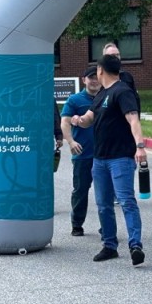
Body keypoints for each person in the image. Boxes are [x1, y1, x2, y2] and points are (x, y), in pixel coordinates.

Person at [71, 53, 146, 266]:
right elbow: (88, 120)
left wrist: (140, 147)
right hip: (100, 159)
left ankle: (135, 245)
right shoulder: (101, 95)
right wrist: (78, 120)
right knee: (103, 204)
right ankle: (109, 246)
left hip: (120, 158)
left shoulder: (123, 91)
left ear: (100, 70)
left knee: (126, 201)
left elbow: (133, 120)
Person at [60, 65, 101, 236]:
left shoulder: (106, 97)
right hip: (82, 154)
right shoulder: (74, 100)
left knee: (104, 193)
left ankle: (106, 226)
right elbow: (65, 122)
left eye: (96, 77)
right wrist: (70, 141)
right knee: (80, 191)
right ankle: (77, 224)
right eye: (90, 78)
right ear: (84, 80)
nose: (94, 81)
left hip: (103, 154)